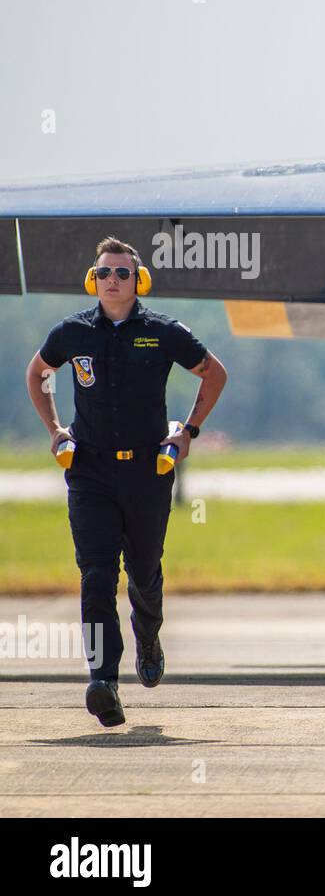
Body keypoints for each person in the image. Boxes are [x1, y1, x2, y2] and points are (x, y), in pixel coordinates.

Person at [23, 237, 228, 727]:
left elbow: (214, 373)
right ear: (93, 280)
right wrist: (55, 431)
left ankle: (149, 635)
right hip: (89, 471)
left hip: (146, 471)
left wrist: (188, 432)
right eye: (106, 273)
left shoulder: (163, 332)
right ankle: (103, 680)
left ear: (139, 281)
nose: (114, 280)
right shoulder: (72, 333)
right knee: (96, 577)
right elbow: (38, 373)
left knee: (144, 571)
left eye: (123, 273)